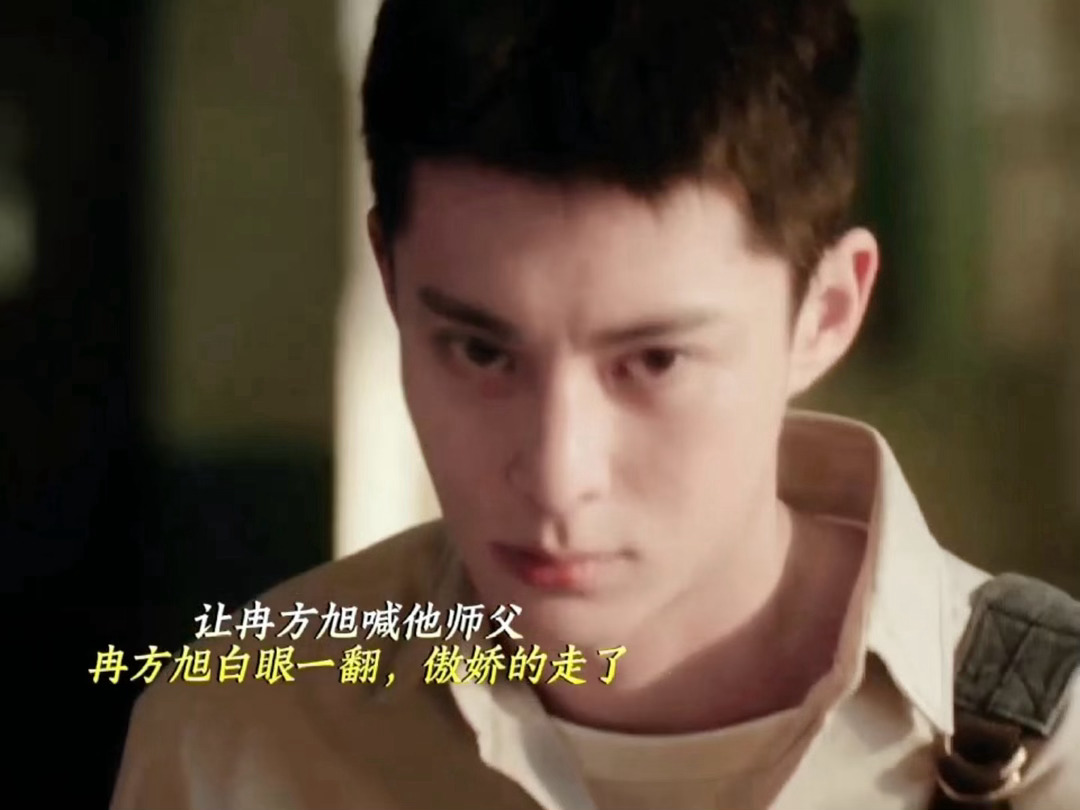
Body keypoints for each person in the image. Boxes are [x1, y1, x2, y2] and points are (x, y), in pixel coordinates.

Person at [109, 1, 1080, 807]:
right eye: (481, 350)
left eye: (653, 360)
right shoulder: (241, 729)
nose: (557, 475)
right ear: (391, 283)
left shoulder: (1060, 752)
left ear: (824, 315)